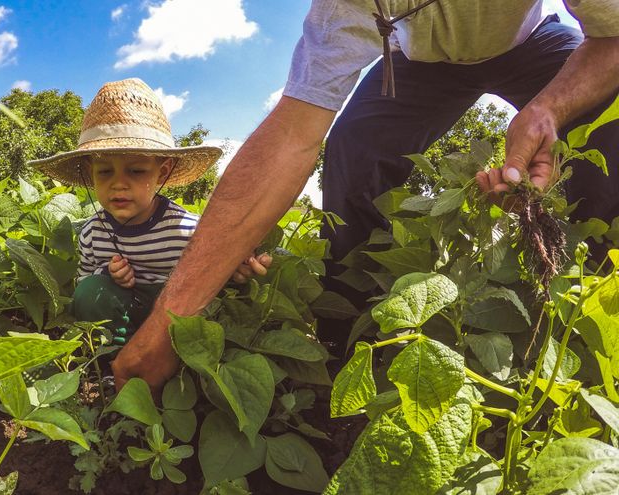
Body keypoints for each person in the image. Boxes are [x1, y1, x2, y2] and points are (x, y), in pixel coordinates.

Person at [111, 1, 619, 391]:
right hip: (419, 62)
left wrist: (549, 108)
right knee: (355, 150)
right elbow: (291, 134)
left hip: (532, 42)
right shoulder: (341, 9)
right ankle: (352, 330)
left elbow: (614, 36)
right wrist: (167, 324)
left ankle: (589, 315)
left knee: (608, 132)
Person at [30, 78, 271, 344]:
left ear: (163, 172)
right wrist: (108, 276)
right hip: (125, 316)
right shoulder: (92, 232)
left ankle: (175, 356)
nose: (118, 183)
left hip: (178, 319)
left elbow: (214, 274)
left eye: (136, 171)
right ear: (90, 175)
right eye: (105, 172)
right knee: (90, 291)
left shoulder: (188, 229)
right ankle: (115, 355)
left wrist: (237, 271)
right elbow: (83, 283)